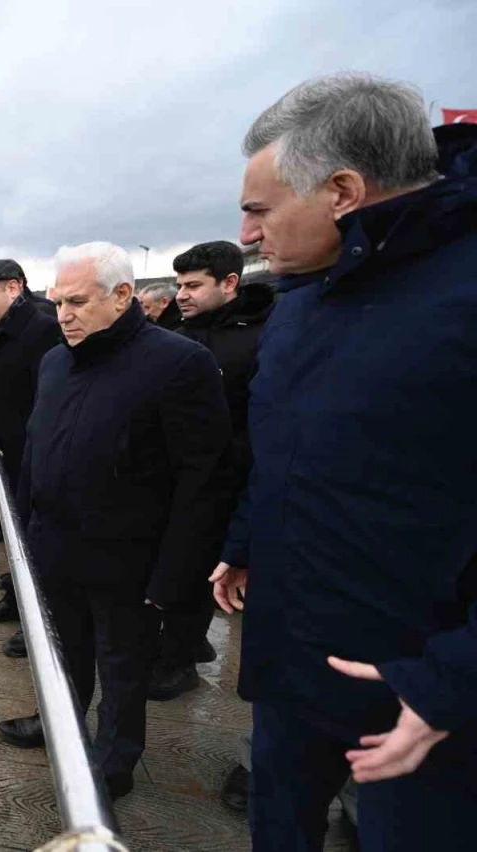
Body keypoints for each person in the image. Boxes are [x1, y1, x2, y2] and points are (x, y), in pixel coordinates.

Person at [210, 74, 477, 851]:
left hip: (424, 706)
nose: (249, 236)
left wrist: (449, 683)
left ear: (342, 191)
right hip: (293, 668)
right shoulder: (303, 299)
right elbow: (288, 445)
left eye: (259, 210)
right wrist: (243, 543)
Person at [0, 242, 231, 802]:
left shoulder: (179, 364)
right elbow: (36, 450)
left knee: (123, 667)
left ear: (122, 295)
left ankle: (115, 761)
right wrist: (26, 536)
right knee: (63, 651)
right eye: (57, 303)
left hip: (128, 558)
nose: (64, 315)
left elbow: (205, 479)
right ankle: (60, 724)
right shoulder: (55, 361)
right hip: (56, 546)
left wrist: (174, 578)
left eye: (77, 302)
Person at [148, 240, 276, 703]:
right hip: (176, 476)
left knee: (200, 571)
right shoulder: (180, 332)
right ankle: (185, 644)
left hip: (227, 480)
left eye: (193, 285)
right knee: (177, 564)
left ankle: (178, 664)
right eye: (179, 285)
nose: (182, 294)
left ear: (229, 283)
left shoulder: (260, 337)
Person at [0, 260, 61, 630]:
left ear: (14, 288)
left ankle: (35, 622)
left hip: (33, 454)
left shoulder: (42, 331)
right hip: (11, 450)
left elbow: (49, 397)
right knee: (21, 532)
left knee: (35, 539)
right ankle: (18, 594)